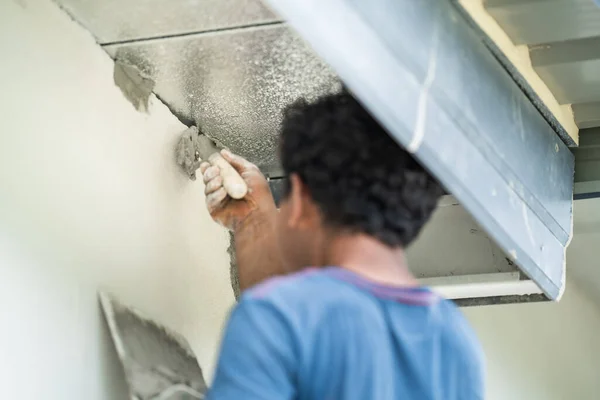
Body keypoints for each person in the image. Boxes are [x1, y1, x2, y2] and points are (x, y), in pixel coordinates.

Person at [201, 92, 484, 399]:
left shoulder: (275, 318)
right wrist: (252, 222)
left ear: (302, 198)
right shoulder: (452, 340)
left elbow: (296, 323)